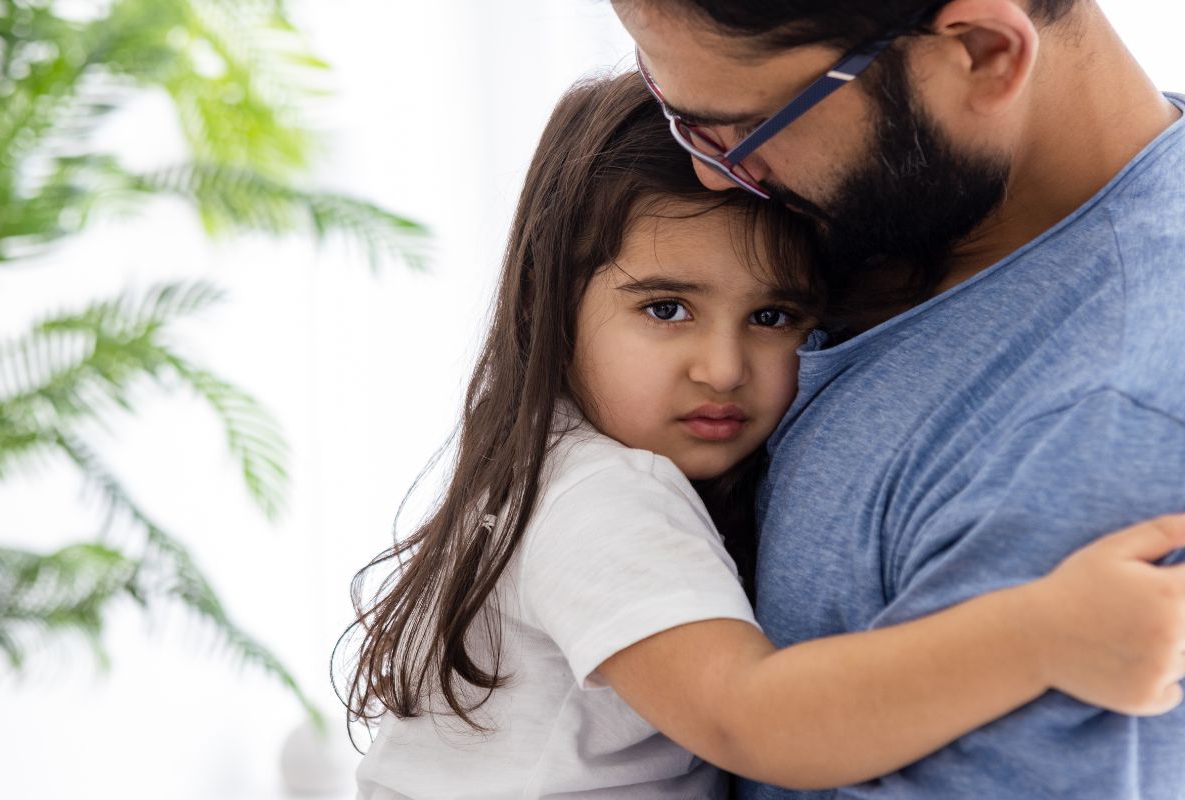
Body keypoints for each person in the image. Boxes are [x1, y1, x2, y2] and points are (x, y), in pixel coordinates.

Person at [340, 72, 1185, 799]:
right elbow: (749, 716)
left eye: (773, 316)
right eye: (665, 309)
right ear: (548, 307)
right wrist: (1039, 638)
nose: (722, 367)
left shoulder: (564, 468)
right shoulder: (602, 498)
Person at [609, 0, 1185, 797]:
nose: (711, 172)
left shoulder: (1099, 427)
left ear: (982, 52)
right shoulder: (895, 209)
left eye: (742, 123)